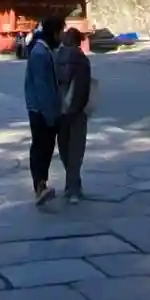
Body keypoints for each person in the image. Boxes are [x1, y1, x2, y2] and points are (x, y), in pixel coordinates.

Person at [24, 15, 65, 204]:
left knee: (45, 147)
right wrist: (50, 115)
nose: (62, 36)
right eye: (61, 32)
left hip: (42, 107)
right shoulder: (40, 53)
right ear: (54, 33)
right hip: (41, 110)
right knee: (41, 147)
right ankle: (39, 185)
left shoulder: (45, 50)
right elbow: (42, 87)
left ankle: (41, 184)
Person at [55, 26, 93, 203]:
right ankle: (74, 187)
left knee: (65, 148)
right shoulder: (81, 59)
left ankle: (72, 185)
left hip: (62, 109)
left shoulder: (57, 58)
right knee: (75, 150)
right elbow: (85, 87)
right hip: (76, 110)